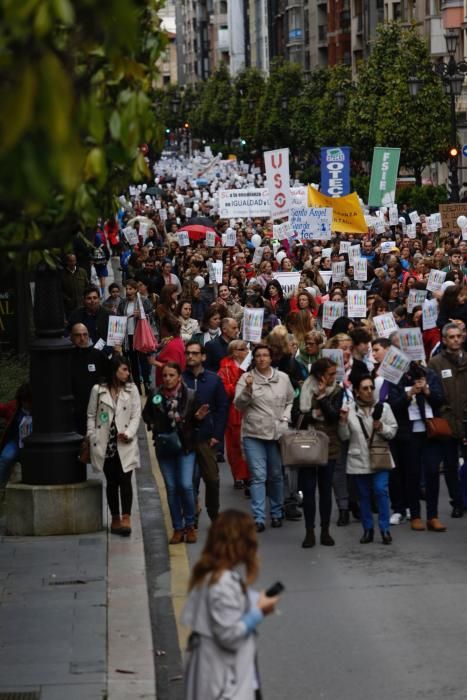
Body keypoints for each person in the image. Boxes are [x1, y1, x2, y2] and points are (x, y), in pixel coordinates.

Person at [181, 509, 280, 700]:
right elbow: (228, 635)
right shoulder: (222, 583)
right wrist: (259, 611)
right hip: (225, 684)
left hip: (219, 677)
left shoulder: (209, 575)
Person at [143, 362, 209, 544]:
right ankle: (178, 528)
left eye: (171, 375)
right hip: (165, 447)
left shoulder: (190, 395)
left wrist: (197, 418)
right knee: (171, 488)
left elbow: (198, 423)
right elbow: (146, 415)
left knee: (186, 485)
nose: (168, 379)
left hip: (185, 447)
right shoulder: (156, 395)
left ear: (179, 377)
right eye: (164, 375)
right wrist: (155, 423)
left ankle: (190, 525)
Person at [234, 344, 294, 532]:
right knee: (258, 476)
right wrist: (248, 390)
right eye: (258, 355)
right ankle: (259, 517)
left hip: (276, 434)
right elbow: (239, 405)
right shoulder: (246, 378)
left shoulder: (283, 378)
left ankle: (276, 512)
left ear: (271, 358)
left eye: (265, 355)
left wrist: (286, 417)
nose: (261, 359)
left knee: (276, 475)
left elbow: (291, 400)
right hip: (254, 433)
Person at [388, 361, 447, 532]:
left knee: (432, 472)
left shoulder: (430, 374)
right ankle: (415, 515)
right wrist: (409, 394)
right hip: (409, 433)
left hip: (430, 432)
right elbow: (393, 406)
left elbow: (440, 400)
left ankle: (433, 516)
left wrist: (427, 391)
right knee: (412, 474)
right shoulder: (398, 377)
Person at [339, 374, 398, 544]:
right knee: (363, 496)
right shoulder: (349, 409)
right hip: (358, 458)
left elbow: (392, 431)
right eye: (364, 388)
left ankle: (385, 529)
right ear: (356, 391)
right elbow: (344, 437)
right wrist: (342, 423)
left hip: (380, 456)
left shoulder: (383, 408)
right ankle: (368, 530)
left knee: (381, 491)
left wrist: (382, 427)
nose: (369, 391)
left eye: (371, 387)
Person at [87, 356, 141, 536]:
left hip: (125, 440)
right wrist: (91, 435)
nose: (127, 373)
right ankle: (115, 518)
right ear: (114, 370)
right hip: (105, 442)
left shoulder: (132, 389)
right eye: (124, 369)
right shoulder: (98, 390)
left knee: (125, 479)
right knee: (111, 481)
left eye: (128, 370)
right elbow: (91, 415)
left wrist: (129, 433)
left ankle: (126, 517)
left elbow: (135, 415)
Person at [297, 358, 344, 548]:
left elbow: (334, 417)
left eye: (335, 373)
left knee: (325, 490)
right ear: (319, 375)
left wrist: (323, 397)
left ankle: (325, 530)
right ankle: (309, 531)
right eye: (330, 373)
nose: (334, 377)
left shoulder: (338, 392)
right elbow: (297, 415)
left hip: (329, 445)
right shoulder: (305, 388)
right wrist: (314, 415)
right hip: (308, 443)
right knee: (308, 490)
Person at [183, 342, 229, 523]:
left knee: (212, 479)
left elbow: (222, 408)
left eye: (194, 353)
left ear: (203, 357)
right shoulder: (181, 379)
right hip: (186, 438)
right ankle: (191, 513)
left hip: (206, 438)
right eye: (188, 353)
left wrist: (217, 435)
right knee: (190, 480)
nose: (190, 357)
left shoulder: (214, 380)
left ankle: (213, 513)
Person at [428, 322, 466, 518]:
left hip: (466, 420)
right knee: (451, 466)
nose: (456, 340)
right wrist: (444, 413)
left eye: (458, 336)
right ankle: (457, 502)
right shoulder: (436, 363)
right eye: (451, 337)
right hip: (448, 422)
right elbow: (434, 393)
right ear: (444, 340)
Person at [218, 340, 251, 491]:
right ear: (235, 352)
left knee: (249, 445)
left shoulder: (252, 366)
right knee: (234, 446)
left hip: (250, 410)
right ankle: (238, 475)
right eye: (243, 349)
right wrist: (240, 382)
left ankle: (250, 476)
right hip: (234, 411)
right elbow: (224, 390)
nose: (247, 351)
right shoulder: (225, 367)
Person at [70, 323, 109, 435]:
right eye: (78, 335)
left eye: (85, 335)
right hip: (76, 412)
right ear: (72, 337)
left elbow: (110, 374)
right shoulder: (67, 358)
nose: (82, 338)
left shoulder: (97, 355)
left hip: (96, 409)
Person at [117, 279, 154, 393]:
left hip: (141, 336)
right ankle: (137, 388)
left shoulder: (144, 301)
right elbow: (119, 319)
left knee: (144, 363)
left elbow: (152, 318)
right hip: (128, 337)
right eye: (126, 289)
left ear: (136, 290)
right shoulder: (123, 303)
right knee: (132, 364)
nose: (128, 291)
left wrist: (142, 315)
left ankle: (148, 387)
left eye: (130, 289)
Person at [0, 383, 33, 497]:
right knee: (6, 457)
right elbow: (2, 408)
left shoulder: (41, 410)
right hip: (16, 441)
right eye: (25, 401)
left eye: (29, 401)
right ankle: (1, 488)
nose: (28, 404)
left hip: (33, 444)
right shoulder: (13, 407)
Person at [60, 253, 90, 317]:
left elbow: (87, 286)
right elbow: (60, 289)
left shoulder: (82, 272)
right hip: (69, 306)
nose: (73, 263)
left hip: (82, 304)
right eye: (71, 261)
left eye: (74, 261)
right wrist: (67, 299)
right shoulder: (62, 274)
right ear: (67, 262)